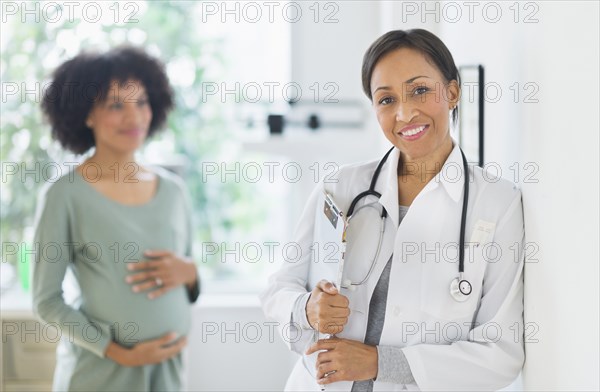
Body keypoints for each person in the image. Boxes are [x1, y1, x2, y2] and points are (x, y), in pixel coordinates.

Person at [261, 29, 525, 391]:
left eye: (419, 90)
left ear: (452, 92)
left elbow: (500, 353)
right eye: (386, 100)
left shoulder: (497, 204)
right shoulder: (340, 188)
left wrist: (377, 363)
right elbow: (278, 288)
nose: (404, 113)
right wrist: (306, 307)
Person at [33, 46, 200, 391]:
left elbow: (187, 271)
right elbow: (46, 302)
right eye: (116, 106)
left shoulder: (173, 191)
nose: (134, 117)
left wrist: (192, 274)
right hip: (99, 375)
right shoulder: (64, 195)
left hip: (168, 374)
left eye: (141, 103)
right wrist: (117, 352)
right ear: (86, 114)